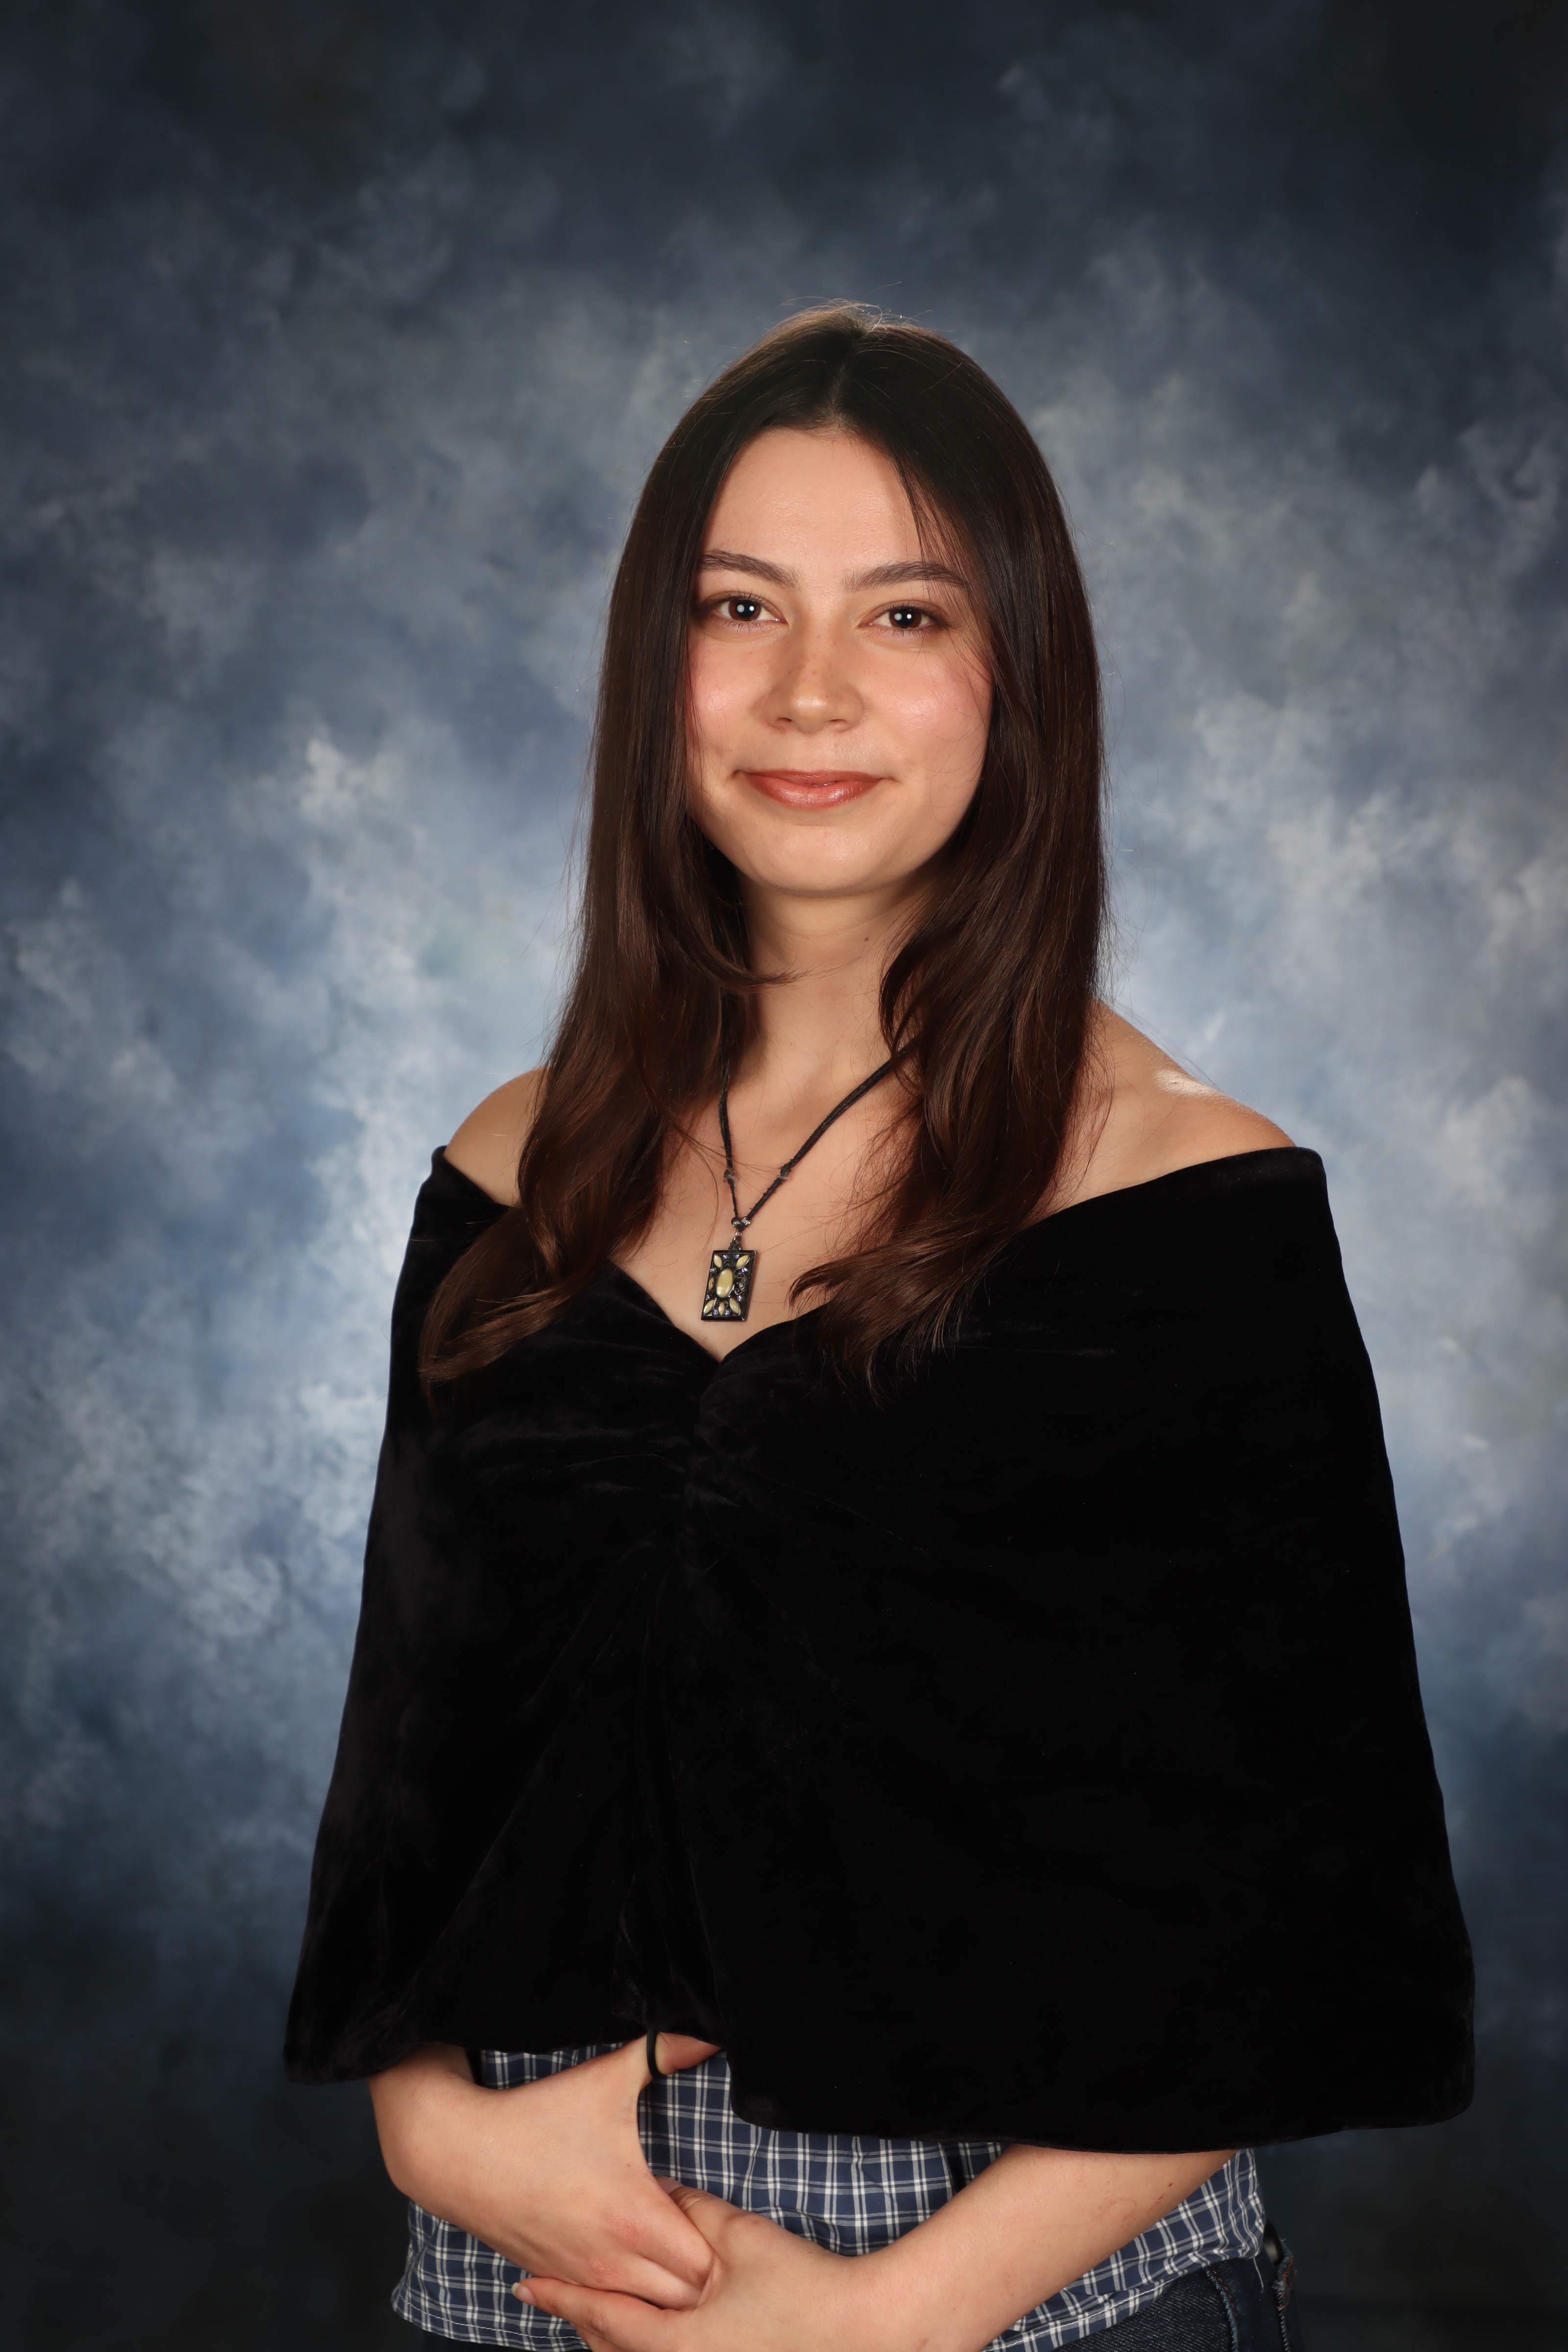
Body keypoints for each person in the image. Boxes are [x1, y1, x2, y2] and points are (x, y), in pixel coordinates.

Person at [284, 307, 1472, 2352]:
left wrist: (883, 2323)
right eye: (739, 607)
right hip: (513, 2274)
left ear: (1018, 675)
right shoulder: (509, 1170)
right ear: (654, 662)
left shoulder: (1186, 1198)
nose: (808, 690)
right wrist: (431, 2133)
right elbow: (411, 1799)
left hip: (1014, 2300)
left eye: (905, 614)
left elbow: (1307, 1914)